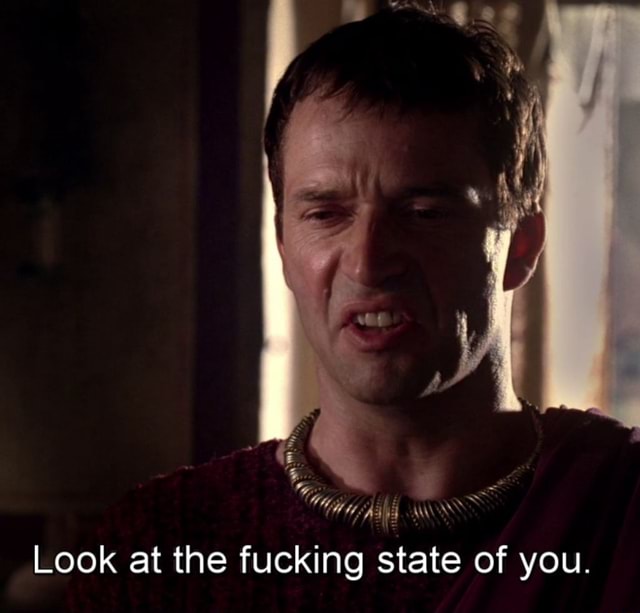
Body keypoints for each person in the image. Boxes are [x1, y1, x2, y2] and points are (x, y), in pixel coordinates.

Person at [67, 3, 640, 612]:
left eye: (423, 213)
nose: (368, 264)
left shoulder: (620, 507)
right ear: (284, 245)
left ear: (520, 247)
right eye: (325, 214)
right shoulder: (159, 551)